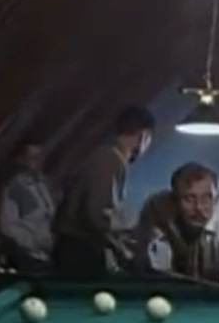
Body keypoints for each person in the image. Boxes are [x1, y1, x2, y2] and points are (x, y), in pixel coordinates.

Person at [133, 162, 219, 306]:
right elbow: (141, 247)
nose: (199, 207)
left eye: (206, 198)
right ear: (174, 199)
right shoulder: (157, 208)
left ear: (216, 197)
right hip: (165, 291)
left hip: (218, 291)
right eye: (189, 199)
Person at [51, 106, 156, 278]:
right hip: (80, 252)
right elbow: (97, 215)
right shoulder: (111, 160)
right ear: (143, 136)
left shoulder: (105, 156)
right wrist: (125, 242)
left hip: (75, 247)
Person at [0, 140, 56, 272]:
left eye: (41, 157)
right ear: (22, 160)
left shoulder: (47, 185)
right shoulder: (15, 189)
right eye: (33, 158)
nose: (38, 162)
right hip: (30, 257)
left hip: (50, 256)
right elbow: (8, 227)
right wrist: (36, 241)